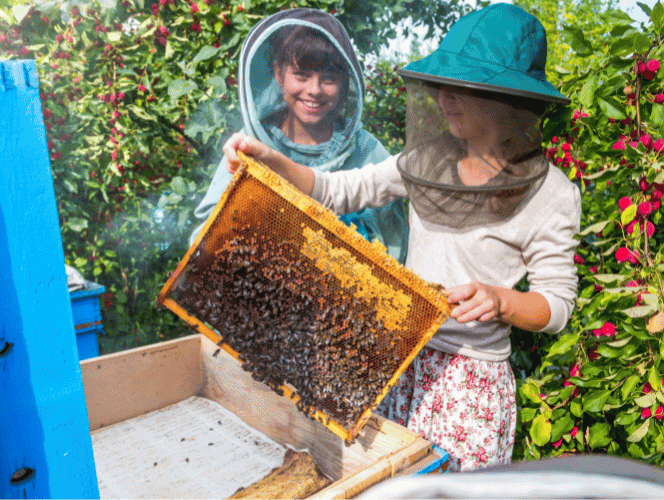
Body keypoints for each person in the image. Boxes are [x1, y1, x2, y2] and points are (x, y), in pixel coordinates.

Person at [221, 3, 581, 471]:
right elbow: (339, 190)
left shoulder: (552, 194)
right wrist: (273, 161)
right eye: (442, 85)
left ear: (505, 101)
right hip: (399, 357)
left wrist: (501, 300)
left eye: (461, 88)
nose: (443, 98)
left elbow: (557, 305)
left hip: (469, 382)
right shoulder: (428, 158)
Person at [189, 8, 408, 264]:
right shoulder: (251, 145)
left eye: (328, 78)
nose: (314, 90)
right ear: (279, 74)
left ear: (344, 83)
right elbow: (207, 233)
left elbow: (396, 243)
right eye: (302, 75)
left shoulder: (366, 150)